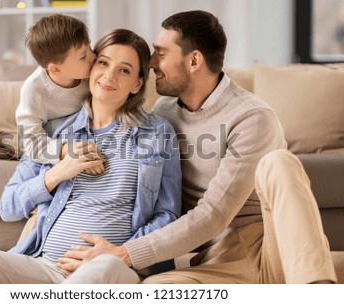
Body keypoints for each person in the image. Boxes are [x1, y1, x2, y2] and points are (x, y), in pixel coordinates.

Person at [59, 10, 338, 284]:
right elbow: (96, 114)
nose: (152, 62)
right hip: (211, 263)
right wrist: (59, 149)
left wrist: (125, 253)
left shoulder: (252, 117)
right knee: (154, 290)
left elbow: (215, 213)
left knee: (279, 162)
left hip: (268, 253)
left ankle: (316, 289)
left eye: (161, 53)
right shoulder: (165, 112)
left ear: (194, 61)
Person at [0, 29, 182, 284]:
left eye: (124, 70)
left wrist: (119, 253)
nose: (109, 75)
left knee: (99, 271)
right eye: (103, 63)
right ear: (90, 69)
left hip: (113, 266)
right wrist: (57, 172)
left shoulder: (155, 131)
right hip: (44, 265)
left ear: (137, 84)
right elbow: (8, 206)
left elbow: (167, 213)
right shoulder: (55, 132)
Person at [16, 14, 96, 164]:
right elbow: (32, 143)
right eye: (83, 56)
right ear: (56, 69)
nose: (93, 56)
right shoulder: (33, 89)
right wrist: (65, 150)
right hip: (53, 144)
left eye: (90, 47)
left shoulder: (93, 72)